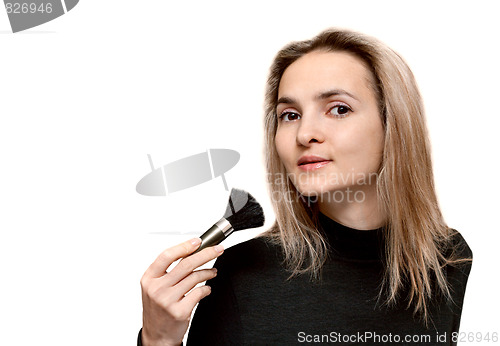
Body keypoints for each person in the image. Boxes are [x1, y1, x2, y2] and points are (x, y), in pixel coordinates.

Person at [138, 28, 472, 346]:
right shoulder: (244, 274)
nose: (304, 134)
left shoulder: (449, 260)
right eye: (290, 115)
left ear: (393, 124)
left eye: (338, 109)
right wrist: (159, 339)